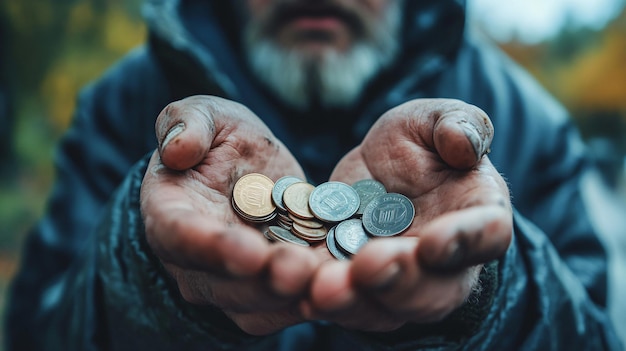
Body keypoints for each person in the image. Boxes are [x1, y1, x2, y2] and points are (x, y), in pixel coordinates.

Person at [4, 0, 624, 350]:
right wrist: (145, 276)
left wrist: (490, 300)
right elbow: (36, 333)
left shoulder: (524, 116)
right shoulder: (123, 103)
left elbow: (602, 333)